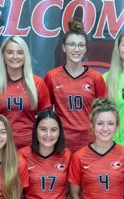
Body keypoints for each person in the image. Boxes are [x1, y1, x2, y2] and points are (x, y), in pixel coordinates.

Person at [44, 21, 107, 152]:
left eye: (80, 45)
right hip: (61, 142)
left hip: (89, 142)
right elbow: (46, 113)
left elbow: (102, 114)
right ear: (63, 47)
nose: (76, 49)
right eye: (71, 44)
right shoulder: (52, 76)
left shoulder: (95, 78)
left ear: (85, 49)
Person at [0, 36, 50, 149]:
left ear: (25, 56)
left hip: (29, 147)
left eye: (19, 52)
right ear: (3, 55)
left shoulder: (37, 83)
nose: (15, 57)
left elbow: (46, 121)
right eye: (10, 52)